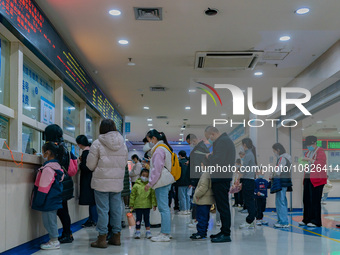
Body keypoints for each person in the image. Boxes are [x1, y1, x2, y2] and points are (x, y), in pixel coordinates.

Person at [87, 119, 128, 248]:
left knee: (103, 210)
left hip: (101, 182)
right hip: (116, 183)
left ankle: (102, 238)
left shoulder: (97, 143)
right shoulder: (123, 144)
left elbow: (90, 164)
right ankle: (116, 237)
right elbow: (124, 163)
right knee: (116, 209)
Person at [44, 124, 77, 244]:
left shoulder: (53, 146)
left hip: (59, 183)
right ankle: (68, 233)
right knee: (64, 210)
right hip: (66, 182)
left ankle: (67, 234)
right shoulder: (64, 146)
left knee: (61, 211)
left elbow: (51, 162)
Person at [31, 142, 65, 250]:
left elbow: (43, 187)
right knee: (51, 220)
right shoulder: (57, 167)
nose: (42, 154)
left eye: (43, 151)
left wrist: (39, 201)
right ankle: (53, 239)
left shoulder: (48, 169)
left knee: (49, 221)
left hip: (48, 200)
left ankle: (54, 241)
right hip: (53, 199)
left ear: (48, 152)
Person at [204, 126, 235, 243]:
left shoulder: (222, 141)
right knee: (222, 207)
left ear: (212, 134)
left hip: (221, 178)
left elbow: (218, 160)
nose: (209, 140)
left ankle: (226, 234)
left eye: (209, 137)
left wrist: (209, 156)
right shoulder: (224, 141)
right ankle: (223, 231)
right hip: (222, 177)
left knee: (223, 207)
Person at [144, 129, 175, 242]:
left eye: (149, 140)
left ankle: (165, 233)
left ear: (154, 139)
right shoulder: (164, 148)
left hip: (161, 182)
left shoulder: (158, 150)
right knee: (165, 208)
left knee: (163, 208)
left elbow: (156, 170)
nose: (148, 143)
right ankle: (166, 231)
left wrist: (150, 183)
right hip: (165, 181)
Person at [299, 136, 327, 227]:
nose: (309, 146)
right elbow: (306, 164)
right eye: (307, 145)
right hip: (308, 177)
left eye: (310, 145)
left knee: (315, 200)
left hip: (317, 179)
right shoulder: (308, 152)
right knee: (306, 199)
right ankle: (306, 219)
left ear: (315, 143)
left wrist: (310, 160)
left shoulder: (320, 152)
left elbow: (321, 164)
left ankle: (315, 221)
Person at [186, 134, 210, 228]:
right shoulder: (199, 148)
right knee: (197, 200)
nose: (190, 145)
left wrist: (193, 180)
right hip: (198, 178)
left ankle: (197, 220)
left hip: (199, 178)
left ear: (194, 140)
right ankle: (197, 219)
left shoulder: (200, 149)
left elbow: (198, 165)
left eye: (190, 142)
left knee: (198, 199)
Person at [76, 135, 97, 228]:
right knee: (92, 200)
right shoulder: (91, 151)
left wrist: (79, 164)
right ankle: (92, 219)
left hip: (87, 179)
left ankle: (93, 219)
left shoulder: (86, 153)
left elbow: (86, 167)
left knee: (91, 201)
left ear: (80, 144)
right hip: (92, 179)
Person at [130, 169, 157, 239]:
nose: (145, 177)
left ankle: (148, 231)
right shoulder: (136, 185)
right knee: (138, 219)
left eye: (147, 176)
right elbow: (132, 195)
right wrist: (131, 205)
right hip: (138, 206)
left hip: (147, 206)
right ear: (140, 175)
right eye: (143, 175)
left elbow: (152, 195)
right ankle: (137, 231)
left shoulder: (150, 186)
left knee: (147, 219)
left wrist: (154, 204)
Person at [238, 138, 257, 229]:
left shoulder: (248, 155)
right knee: (249, 201)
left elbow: (243, 168)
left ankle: (250, 220)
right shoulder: (250, 154)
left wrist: (238, 179)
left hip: (248, 181)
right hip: (248, 180)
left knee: (249, 201)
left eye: (242, 145)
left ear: (245, 144)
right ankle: (251, 221)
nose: (242, 147)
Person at [272, 143, 293, 228]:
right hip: (285, 181)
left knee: (280, 201)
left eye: (274, 151)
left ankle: (283, 222)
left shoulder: (282, 158)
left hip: (280, 181)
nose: (274, 153)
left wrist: (272, 173)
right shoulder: (288, 157)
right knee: (283, 200)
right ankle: (282, 220)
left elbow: (278, 171)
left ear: (278, 150)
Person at [190, 172, 215, 240]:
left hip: (203, 199)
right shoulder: (209, 173)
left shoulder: (205, 174)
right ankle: (202, 232)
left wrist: (197, 194)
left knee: (202, 217)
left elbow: (203, 186)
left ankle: (201, 233)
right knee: (204, 216)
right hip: (207, 199)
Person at [177, 150, 191, 215]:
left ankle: (183, 210)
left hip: (181, 182)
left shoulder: (179, 162)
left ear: (179, 155)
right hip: (188, 182)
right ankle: (188, 209)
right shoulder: (189, 162)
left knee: (182, 196)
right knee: (187, 196)